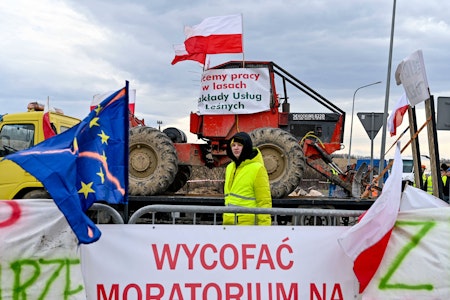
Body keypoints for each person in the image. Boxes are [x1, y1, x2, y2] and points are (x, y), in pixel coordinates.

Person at [223, 132, 272, 225]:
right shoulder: (230, 167)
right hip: (229, 223)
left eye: (239, 145)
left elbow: (264, 201)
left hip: (248, 225)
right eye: (233, 145)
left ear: (246, 147)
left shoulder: (257, 168)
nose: (236, 148)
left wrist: (265, 228)